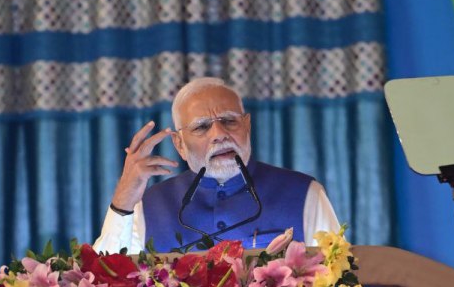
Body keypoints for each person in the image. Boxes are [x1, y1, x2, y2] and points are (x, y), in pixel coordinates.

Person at [94, 77, 339, 252]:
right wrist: (124, 200)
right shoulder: (147, 206)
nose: (219, 134)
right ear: (179, 144)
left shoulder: (305, 194)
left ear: (247, 126)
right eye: (202, 127)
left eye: (229, 121)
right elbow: (105, 285)